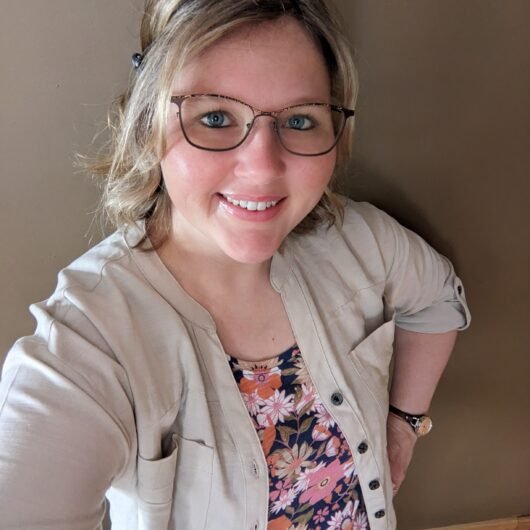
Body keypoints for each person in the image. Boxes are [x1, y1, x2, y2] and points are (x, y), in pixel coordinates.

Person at [0, 1, 470, 529]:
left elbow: (438, 300)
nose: (263, 167)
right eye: (215, 117)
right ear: (149, 121)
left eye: (299, 120)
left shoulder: (361, 242)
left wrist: (404, 423)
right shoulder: (90, 341)